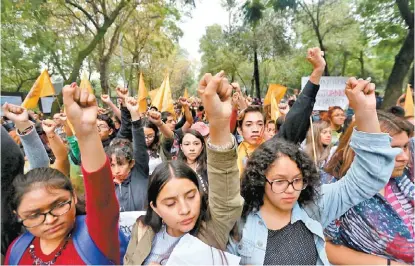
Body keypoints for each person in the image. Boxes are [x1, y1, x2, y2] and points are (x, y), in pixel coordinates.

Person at [227, 77, 401, 265]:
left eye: (297, 180)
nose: (291, 189)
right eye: (279, 181)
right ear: (259, 181)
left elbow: (368, 178)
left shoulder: (314, 204)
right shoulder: (240, 223)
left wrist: (366, 112)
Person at [123, 71, 243, 265]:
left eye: (191, 196)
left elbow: (225, 189)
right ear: (155, 207)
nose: (185, 210)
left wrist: (219, 123)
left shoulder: (213, 229)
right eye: (170, 203)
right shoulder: (142, 229)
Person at [4, 83, 121, 265]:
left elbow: (102, 194)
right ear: (17, 215)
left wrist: (86, 132)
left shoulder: (96, 235)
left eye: (58, 205)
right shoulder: (16, 251)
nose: (50, 220)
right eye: (34, 215)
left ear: (74, 196)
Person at [323, 111, 414, 265]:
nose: (404, 157)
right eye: (394, 148)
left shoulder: (402, 183)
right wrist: (386, 264)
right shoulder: (338, 189)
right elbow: (323, 245)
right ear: (367, 150)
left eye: (405, 147)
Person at [236, 47, 327, 174]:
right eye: (249, 124)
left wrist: (317, 71)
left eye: (260, 124)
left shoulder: (272, 151)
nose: (255, 129)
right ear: (239, 130)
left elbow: (294, 119)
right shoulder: (231, 156)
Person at [106, 96, 150, 212]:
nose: (116, 171)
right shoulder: (106, 186)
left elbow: (140, 146)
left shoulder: (139, 172)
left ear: (132, 163)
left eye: (121, 164)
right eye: (112, 165)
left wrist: (135, 114)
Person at [178, 129, 208, 194]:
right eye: (187, 144)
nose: (192, 148)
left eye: (196, 144)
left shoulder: (209, 167)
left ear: (202, 146)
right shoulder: (176, 170)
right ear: (181, 147)